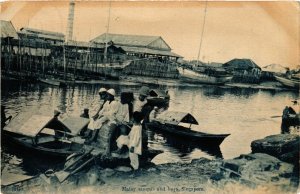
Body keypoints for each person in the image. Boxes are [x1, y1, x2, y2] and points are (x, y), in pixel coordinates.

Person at [87, 89, 119, 157]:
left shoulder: (115, 103)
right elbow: (102, 110)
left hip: (112, 118)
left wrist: (103, 114)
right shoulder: (107, 102)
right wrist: (99, 115)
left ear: (112, 96)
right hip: (106, 116)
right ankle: (93, 138)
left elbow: (112, 113)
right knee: (98, 122)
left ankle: (108, 147)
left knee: (111, 126)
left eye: (108, 95)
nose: (107, 96)